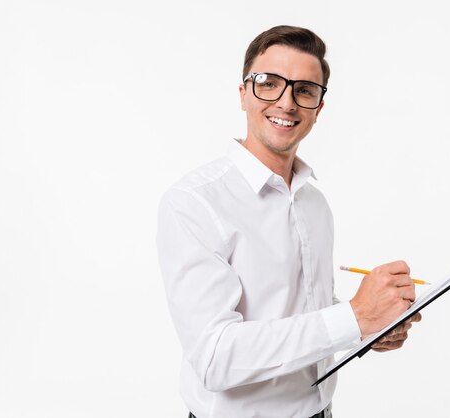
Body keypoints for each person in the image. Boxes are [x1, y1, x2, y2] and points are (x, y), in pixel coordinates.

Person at [156, 25, 421, 418]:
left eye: (305, 90)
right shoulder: (194, 203)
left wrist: (369, 327)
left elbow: (305, 311)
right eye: (268, 83)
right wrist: (354, 316)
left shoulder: (314, 201)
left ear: (318, 108)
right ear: (243, 93)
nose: (286, 102)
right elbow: (215, 358)